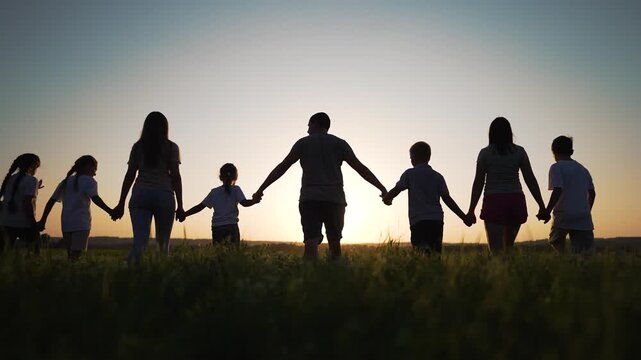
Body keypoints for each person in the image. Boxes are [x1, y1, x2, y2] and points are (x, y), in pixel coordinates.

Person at [253, 112, 387, 259]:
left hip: (310, 199)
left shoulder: (303, 143)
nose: (307, 129)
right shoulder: (340, 143)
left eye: (309, 124)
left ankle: (310, 277)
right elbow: (360, 168)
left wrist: (261, 189)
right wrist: (382, 188)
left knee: (311, 240)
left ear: (315, 123)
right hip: (335, 200)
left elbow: (282, 168)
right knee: (335, 243)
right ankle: (335, 276)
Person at [112, 111, 184, 264]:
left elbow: (130, 175)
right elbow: (176, 177)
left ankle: (130, 275)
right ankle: (160, 278)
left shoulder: (138, 147)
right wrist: (181, 205)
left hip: (140, 195)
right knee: (163, 244)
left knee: (140, 242)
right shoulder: (171, 147)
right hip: (164, 195)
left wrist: (121, 203)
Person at [467, 117, 546, 254]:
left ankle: (498, 275)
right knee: (508, 248)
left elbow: (478, 182)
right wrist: (541, 205)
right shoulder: (519, 152)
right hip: (515, 200)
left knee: (496, 251)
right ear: (509, 133)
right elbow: (530, 179)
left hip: (494, 201)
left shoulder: (485, 153)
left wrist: (471, 210)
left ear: (491, 133)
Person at [382, 141, 472, 254]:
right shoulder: (438, 176)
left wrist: (386, 198)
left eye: (410, 158)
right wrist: (464, 217)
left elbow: (397, 189)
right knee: (435, 254)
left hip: (418, 221)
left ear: (413, 158)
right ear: (429, 157)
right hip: (436, 220)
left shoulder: (409, 174)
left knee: (420, 255)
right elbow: (447, 199)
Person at [38, 155, 113, 261]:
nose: (95, 173)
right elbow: (96, 199)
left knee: (70, 256)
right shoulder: (89, 181)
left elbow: (51, 201)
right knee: (76, 258)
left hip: (66, 224)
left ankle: (68, 275)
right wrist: (111, 211)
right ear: (87, 166)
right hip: (81, 224)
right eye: (94, 169)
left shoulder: (65, 182)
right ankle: (72, 276)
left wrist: (43, 220)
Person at [538, 136, 596, 254]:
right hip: (583, 216)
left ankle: (564, 262)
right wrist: (586, 210)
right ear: (571, 152)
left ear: (553, 151)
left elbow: (557, 190)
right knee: (583, 253)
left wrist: (547, 211)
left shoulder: (556, 167)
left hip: (563, 215)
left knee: (556, 241)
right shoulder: (583, 170)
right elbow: (592, 193)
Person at [178, 163, 260, 245]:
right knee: (233, 254)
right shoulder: (236, 190)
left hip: (217, 227)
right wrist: (254, 201)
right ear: (236, 177)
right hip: (231, 226)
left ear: (220, 177)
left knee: (219, 254)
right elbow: (244, 203)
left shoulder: (214, 192)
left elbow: (200, 207)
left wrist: (185, 214)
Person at [0, 153, 41, 253]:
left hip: (5, 222)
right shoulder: (31, 180)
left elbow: (14, 194)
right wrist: (33, 223)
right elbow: (27, 202)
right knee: (34, 253)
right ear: (33, 165)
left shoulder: (10, 179)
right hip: (24, 223)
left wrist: (36, 188)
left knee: (4, 255)